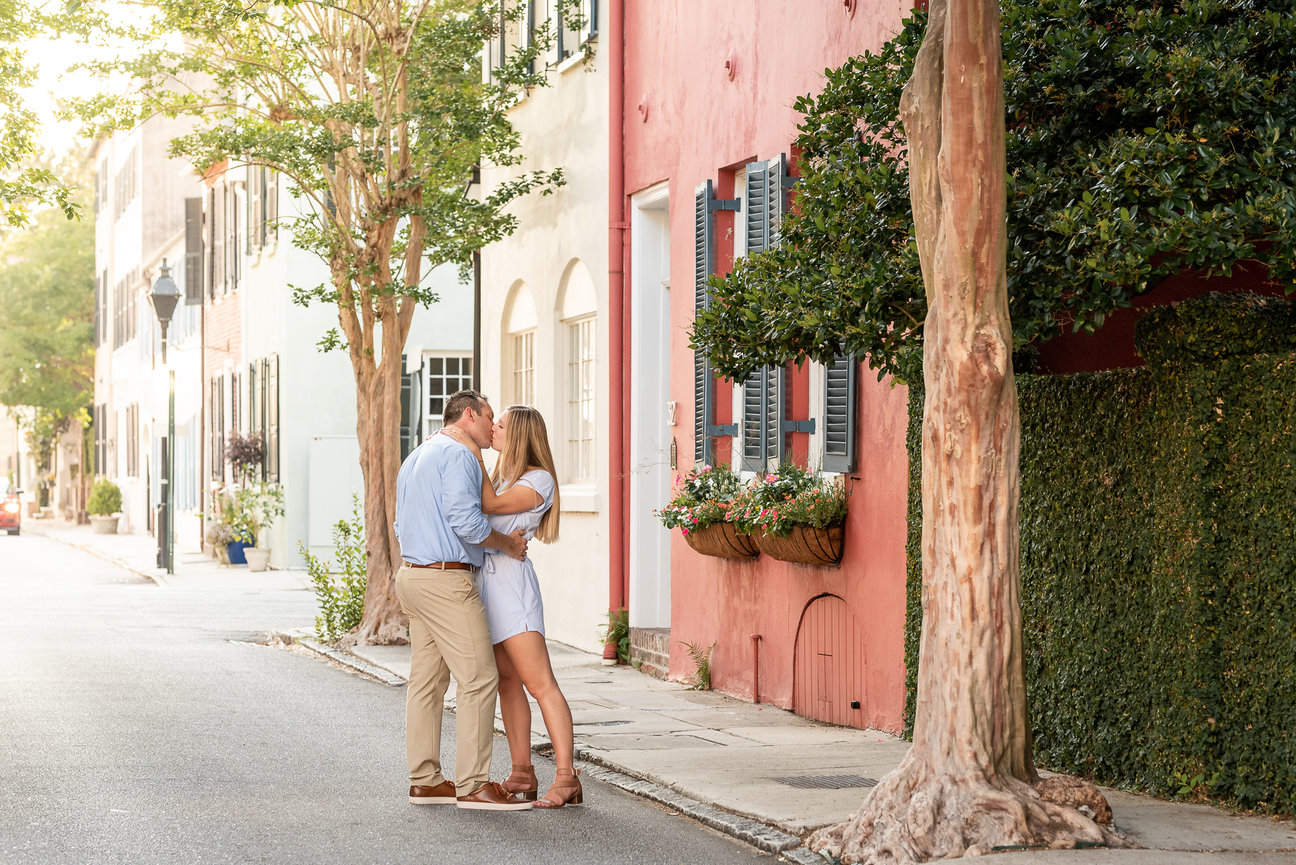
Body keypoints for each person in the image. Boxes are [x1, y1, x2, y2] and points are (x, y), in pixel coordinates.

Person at [392, 389, 534, 811]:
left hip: (413, 577)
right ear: (468, 415)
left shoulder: (417, 455)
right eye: (489, 417)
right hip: (446, 581)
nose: (493, 426)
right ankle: (473, 784)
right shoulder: (459, 456)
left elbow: (402, 523)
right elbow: (467, 523)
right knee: (479, 678)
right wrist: (507, 543)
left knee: (427, 683)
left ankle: (425, 781)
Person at [441, 405, 582, 809]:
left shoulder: (539, 479)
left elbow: (487, 506)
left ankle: (566, 776)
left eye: (499, 425)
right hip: (487, 584)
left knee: (540, 684)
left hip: (512, 588)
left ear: (518, 435)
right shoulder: (505, 475)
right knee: (506, 682)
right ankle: (522, 770)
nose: (492, 428)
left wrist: (471, 448)